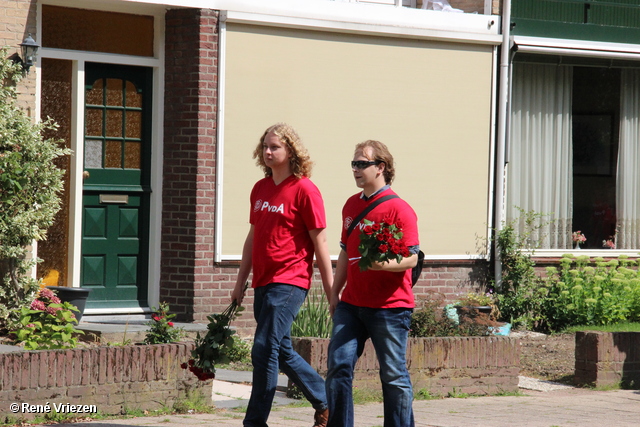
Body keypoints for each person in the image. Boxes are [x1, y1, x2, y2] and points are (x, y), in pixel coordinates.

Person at [231, 123, 332, 427]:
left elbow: (320, 242)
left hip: (290, 281)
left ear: (291, 151)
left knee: (263, 348)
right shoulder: (260, 189)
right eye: (264, 146)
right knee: (281, 350)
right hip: (263, 281)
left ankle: (254, 422)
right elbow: (252, 237)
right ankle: (327, 400)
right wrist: (239, 284)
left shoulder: (305, 190)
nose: (268, 152)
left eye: (274, 146)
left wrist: (332, 293)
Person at [326, 140, 419, 427]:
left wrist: (382, 264)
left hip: (389, 308)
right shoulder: (351, 205)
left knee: (392, 375)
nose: (355, 169)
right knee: (338, 366)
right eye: (353, 164)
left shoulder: (400, 209)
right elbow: (344, 252)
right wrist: (334, 292)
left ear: (381, 167)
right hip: (351, 305)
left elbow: (412, 259)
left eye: (361, 164)